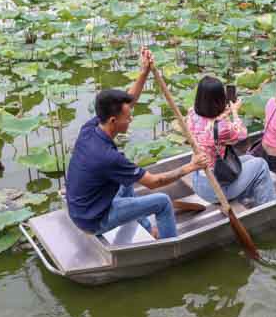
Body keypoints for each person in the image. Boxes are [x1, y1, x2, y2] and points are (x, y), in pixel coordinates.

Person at [66, 48, 210, 239]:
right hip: (94, 220)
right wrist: (191, 166)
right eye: (128, 117)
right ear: (112, 121)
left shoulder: (90, 128)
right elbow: (153, 182)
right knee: (163, 201)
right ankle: (170, 248)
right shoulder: (108, 157)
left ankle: (147, 229)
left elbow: (128, 102)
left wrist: (144, 72)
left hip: (80, 209)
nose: (131, 119)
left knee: (126, 184)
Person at [187, 76, 276, 206]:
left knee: (249, 158)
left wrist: (223, 114)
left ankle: (248, 197)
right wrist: (234, 112)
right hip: (215, 188)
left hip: (197, 179)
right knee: (261, 164)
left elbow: (209, 125)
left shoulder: (192, 114)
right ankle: (269, 208)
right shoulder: (222, 128)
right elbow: (242, 134)